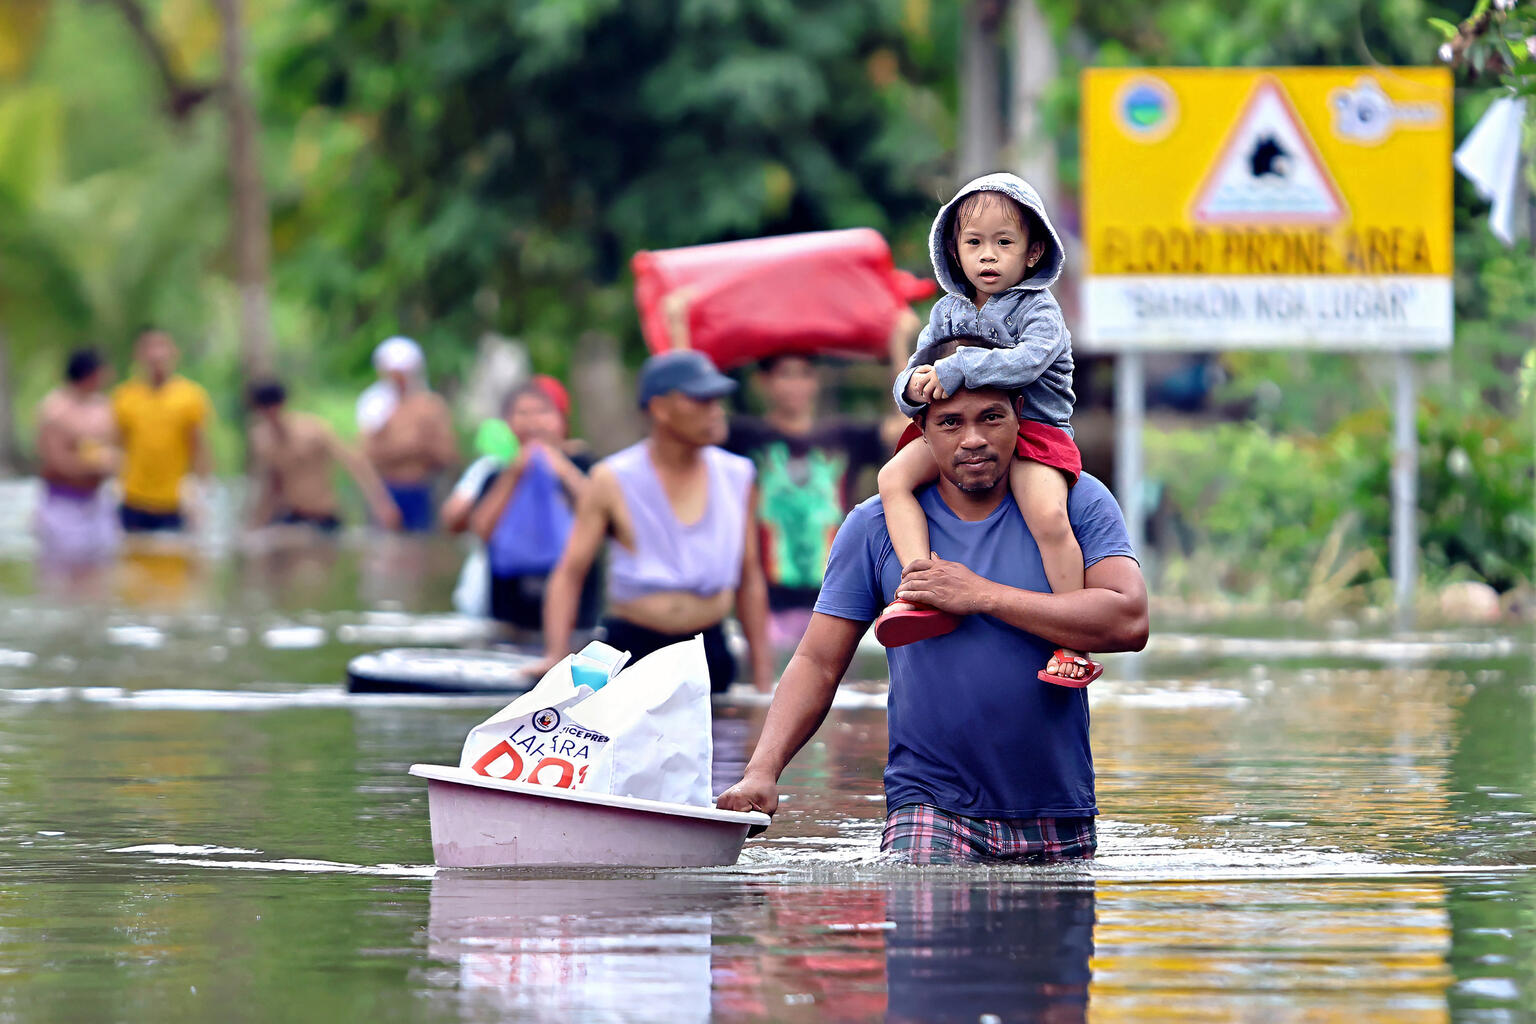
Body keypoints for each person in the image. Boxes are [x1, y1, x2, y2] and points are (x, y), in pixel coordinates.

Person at [717, 378, 1149, 864]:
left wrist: (982, 595)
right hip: (928, 806)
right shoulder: (874, 526)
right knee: (927, 921)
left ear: (1020, 414)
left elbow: (1128, 620)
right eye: (950, 423)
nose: (973, 439)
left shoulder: (1074, 500)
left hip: (1057, 806)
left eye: (991, 417)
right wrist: (762, 769)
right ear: (920, 429)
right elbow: (817, 662)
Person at [875, 173, 1095, 685]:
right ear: (954, 250)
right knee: (892, 479)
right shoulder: (947, 311)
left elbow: (1027, 362)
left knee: (1047, 514)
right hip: (963, 430)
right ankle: (918, 588)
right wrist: (911, 389)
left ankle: (1072, 640)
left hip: (1034, 429)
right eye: (974, 243)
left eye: (1004, 243)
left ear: (1034, 251)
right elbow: (915, 369)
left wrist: (956, 371)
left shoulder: (1039, 309)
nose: (988, 257)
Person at [538, 350, 773, 693]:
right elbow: (570, 572)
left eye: (717, 400)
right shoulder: (612, 478)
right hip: (631, 649)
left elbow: (750, 577)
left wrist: (764, 683)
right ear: (660, 409)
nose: (716, 411)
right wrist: (554, 657)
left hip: (707, 650)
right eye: (701, 400)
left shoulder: (738, 476)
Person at [724, 314, 916, 648]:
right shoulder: (745, 438)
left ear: (816, 381)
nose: (796, 384)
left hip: (835, 601)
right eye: (785, 374)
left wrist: (897, 344)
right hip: (765, 606)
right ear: (762, 382)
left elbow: (906, 428)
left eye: (804, 374)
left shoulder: (843, 436)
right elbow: (688, 409)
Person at [442, 376, 601, 633]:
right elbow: (481, 529)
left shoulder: (584, 466)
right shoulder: (496, 473)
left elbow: (598, 513)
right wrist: (515, 474)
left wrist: (560, 468)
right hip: (508, 612)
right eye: (522, 413)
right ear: (507, 422)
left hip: (576, 613)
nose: (533, 422)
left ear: (561, 420)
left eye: (542, 412)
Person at [246, 379, 401, 532]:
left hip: (323, 515)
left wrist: (382, 504)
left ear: (282, 404)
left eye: (272, 407)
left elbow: (354, 463)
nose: (270, 414)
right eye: (264, 409)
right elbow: (272, 486)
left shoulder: (312, 430)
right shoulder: (262, 441)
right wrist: (257, 522)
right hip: (291, 516)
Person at [112, 328, 213, 532]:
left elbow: (199, 447)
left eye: (161, 346)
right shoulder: (124, 397)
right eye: (149, 347)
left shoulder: (191, 397)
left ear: (174, 352)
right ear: (138, 354)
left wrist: (201, 491)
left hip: (174, 502)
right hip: (133, 499)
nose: (156, 354)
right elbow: (117, 446)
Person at [357, 336, 457, 531]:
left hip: (423, 489)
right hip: (387, 490)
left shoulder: (430, 406)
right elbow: (366, 455)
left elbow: (446, 453)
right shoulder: (374, 406)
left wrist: (414, 447)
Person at [33, 348, 119, 563]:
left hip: (97, 503)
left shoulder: (104, 407)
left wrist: (113, 462)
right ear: (92, 374)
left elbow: (113, 448)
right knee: (63, 573)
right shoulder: (54, 410)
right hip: (63, 505)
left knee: (101, 574)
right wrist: (92, 465)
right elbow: (55, 461)